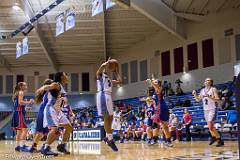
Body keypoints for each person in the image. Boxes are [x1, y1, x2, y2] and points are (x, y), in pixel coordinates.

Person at [38, 72, 73, 156]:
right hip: (51, 109)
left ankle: (62, 146)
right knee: (54, 129)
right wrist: (43, 88)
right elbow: (50, 86)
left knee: (69, 128)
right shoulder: (57, 84)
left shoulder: (61, 87)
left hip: (58, 111)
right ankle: (45, 148)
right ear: (61, 77)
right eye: (65, 75)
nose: (67, 76)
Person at [96, 58, 121, 151]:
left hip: (108, 96)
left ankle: (107, 138)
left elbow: (119, 81)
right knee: (107, 117)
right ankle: (110, 140)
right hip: (103, 95)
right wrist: (107, 63)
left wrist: (116, 71)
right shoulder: (100, 75)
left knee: (110, 117)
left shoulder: (109, 79)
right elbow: (101, 68)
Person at [192, 78, 224, 147]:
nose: (207, 81)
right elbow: (198, 100)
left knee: (210, 125)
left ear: (211, 82)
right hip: (205, 110)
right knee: (210, 127)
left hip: (213, 109)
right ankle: (214, 137)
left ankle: (219, 140)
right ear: (204, 82)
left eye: (208, 80)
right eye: (206, 80)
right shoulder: (202, 90)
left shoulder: (213, 89)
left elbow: (218, 100)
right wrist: (194, 94)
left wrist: (209, 97)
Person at [28, 79, 53, 153]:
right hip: (44, 114)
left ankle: (35, 147)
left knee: (42, 133)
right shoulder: (48, 93)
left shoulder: (45, 93)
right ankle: (44, 147)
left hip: (42, 113)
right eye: (52, 84)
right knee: (50, 131)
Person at [148, 79, 173, 147]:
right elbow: (154, 102)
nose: (154, 83)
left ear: (159, 84)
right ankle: (156, 140)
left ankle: (167, 141)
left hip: (162, 108)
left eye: (156, 82)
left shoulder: (159, 89)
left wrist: (151, 81)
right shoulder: (154, 92)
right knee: (156, 125)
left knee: (164, 127)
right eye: (154, 82)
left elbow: (155, 86)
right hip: (158, 109)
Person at [11, 82, 34, 152]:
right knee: (25, 129)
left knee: (19, 131)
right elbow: (20, 102)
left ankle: (17, 146)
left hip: (17, 112)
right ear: (21, 86)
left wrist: (26, 108)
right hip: (19, 113)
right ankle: (22, 146)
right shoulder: (21, 92)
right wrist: (29, 102)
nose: (26, 86)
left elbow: (19, 104)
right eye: (25, 85)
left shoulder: (17, 93)